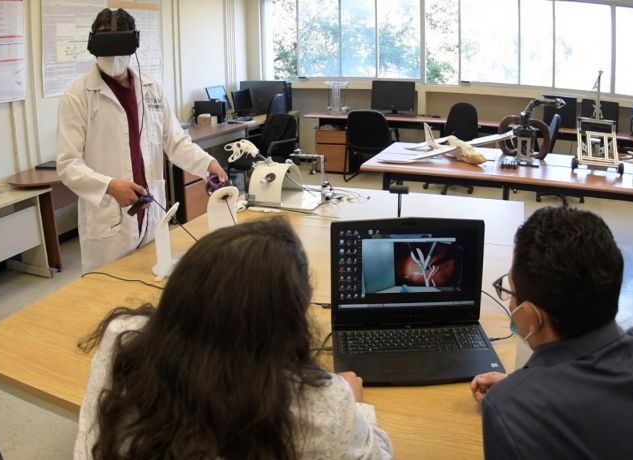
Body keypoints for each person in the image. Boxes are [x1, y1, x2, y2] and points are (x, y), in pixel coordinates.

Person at [73, 217, 393, 459]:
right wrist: (356, 406)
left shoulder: (123, 341)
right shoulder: (323, 402)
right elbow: (379, 455)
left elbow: (90, 446)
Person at [470, 206, 633, 459]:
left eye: (511, 292)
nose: (511, 304)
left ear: (532, 317)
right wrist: (521, 387)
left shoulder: (508, 412)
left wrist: (516, 396)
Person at [57, 8, 228, 273]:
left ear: (133, 43)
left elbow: (175, 142)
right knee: (109, 288)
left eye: (120, 43)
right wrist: (109, 186)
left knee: (152, 279)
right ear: (93, 45)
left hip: (150, 214)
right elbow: (68, 164)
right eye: (106, 44)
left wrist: (208, 165)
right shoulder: (78, 96)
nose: (113, 54)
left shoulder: (152, 90)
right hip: (108, 219)